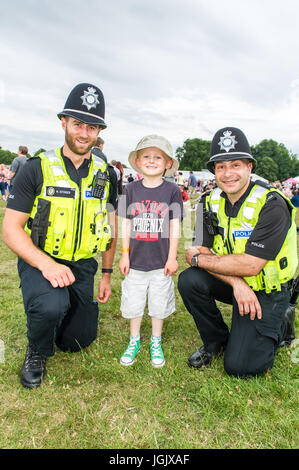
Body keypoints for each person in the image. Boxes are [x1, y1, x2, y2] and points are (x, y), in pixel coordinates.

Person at [2, 83, 118, 389]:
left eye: (92, 127)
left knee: (78, 341)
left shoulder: (107, 174)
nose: (84, 133)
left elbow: (109, 227)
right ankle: (37, 350)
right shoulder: (36, 167)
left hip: (82, 265)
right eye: (78, 123)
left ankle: (62, 310)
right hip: (43, 259)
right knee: (50, 307)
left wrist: (106, 275)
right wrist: (47, 265)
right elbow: (11, 229)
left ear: (99, 132)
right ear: (63, 122)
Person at [178, 126, 297, 378]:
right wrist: (236, 283)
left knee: (242, 368)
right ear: (214, 171)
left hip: (269, 288)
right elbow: (197, 251)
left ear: (249, 168)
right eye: (221, 167)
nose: (228, 173)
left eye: (235, 165)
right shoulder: (207, 201)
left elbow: (252, 265)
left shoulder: (272, 203)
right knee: (189, 280)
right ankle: (216, 341)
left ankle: (282, 319)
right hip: (237, 282)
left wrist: (201, 259)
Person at [117, 135, 183, 367]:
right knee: (133, 300)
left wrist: (172, 257)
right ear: (137, 161)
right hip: (135, 260)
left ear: (167, 163)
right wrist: (124, 253)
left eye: (158, 157)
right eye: (147, 156)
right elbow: (125, 223)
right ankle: (134, 339)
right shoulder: (130, 189)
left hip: (160, 260)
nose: (152, 160)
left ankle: (156, 340)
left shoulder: (172, 191)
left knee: (158, 301)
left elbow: (175, 225)